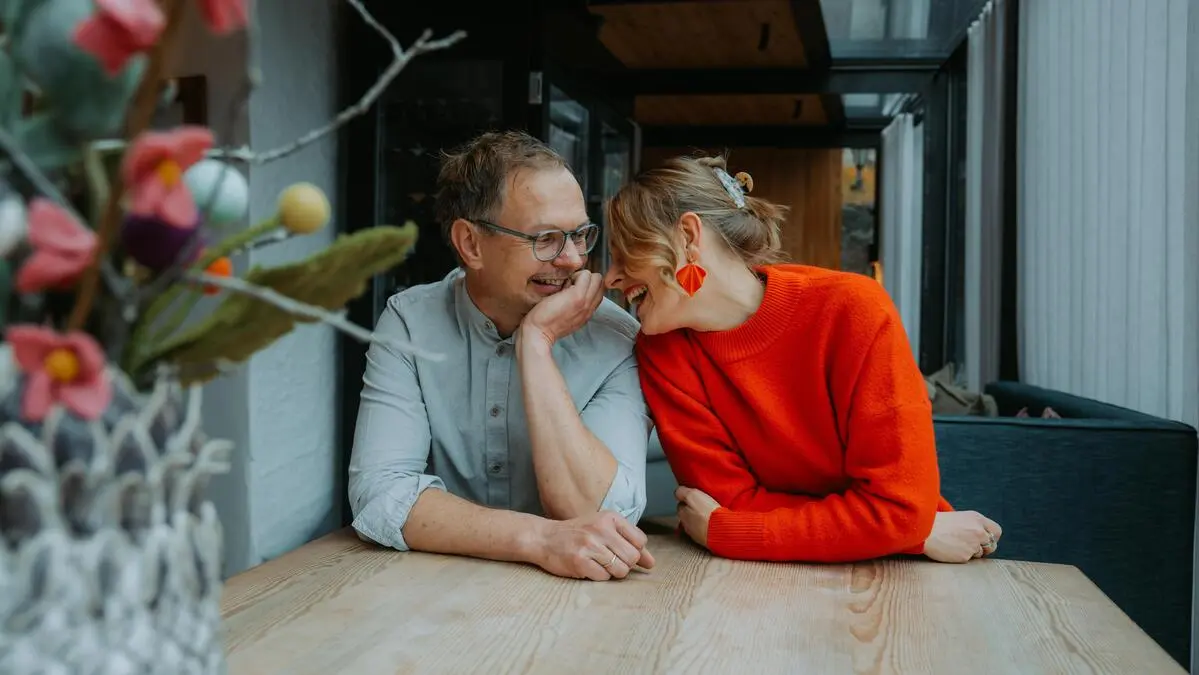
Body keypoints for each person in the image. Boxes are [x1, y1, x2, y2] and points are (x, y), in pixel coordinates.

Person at [601, 154, 1002, 564]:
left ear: (688, 236)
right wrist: (903, 531)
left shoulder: (854, 310)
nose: (610, 278)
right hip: (753, 576)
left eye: (625, 253)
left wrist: (732, 530)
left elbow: (897, 508)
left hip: (895, 574)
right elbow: (729, 502)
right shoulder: (662, 352)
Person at [347, 130, 654, 581]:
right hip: (431, 587)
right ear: (471, 244)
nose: (573, 260)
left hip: (579, 596)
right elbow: (380, 494)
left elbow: (606, 513)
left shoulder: (616, 336)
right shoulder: (409, 322)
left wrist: (536, 344)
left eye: (580, 235)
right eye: (546, 238)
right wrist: (538, 539)